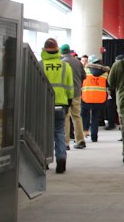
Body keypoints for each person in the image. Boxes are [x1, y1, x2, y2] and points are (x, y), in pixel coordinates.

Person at [41, 38, 74, 174]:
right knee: (59, 132)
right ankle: (61, 159)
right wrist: (69, 102)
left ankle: (44, 161)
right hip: (61, 104)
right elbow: (70, 87)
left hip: (43, 105)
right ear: (57, 51)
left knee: (43, 133)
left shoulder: (39, 65)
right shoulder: (65, 66)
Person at [61, 44, 86, 149]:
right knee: (77, 116)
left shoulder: (61, 63)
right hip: (76, 93)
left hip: (65, 94)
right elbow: (84, 76)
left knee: (66, 118)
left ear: (62, 52)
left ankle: (66, 143)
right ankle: (80, 140)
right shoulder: (77, 61)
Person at [81, 54, 110, 143]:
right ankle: (94, 137)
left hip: (87, 97)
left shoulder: (85, 70)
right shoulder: (105, 72)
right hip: (99, 98)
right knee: (95, 117)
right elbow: (108, 84)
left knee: (84, 115)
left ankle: (84, 132)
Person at [104, 55, 122, 130]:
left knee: (111, 106)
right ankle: (122, 125)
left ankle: (112, 124)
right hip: (123, 91)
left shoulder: (114, 68)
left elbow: (110, 80)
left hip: (114, 90)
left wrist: (109, 89)